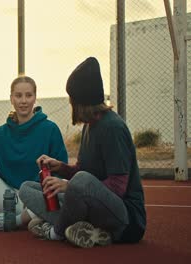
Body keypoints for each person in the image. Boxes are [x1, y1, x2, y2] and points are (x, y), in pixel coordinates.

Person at [18, 57, 147, 248]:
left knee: (80, 181)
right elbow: (83, 170)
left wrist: (69, 186)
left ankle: (56, 231)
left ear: (81, 101)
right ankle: (88, 230)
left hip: (126, 220)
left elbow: (118, 187)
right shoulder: (90, 126)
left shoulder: (113, 127)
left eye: (72, 99)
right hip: (91, 204)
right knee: (27, 188)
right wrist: (60, 167)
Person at [0, 75, 68, 234]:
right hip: (7, 199)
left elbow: (62, 173)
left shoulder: (50, 130)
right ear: (11, 98)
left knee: (59, 190)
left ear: (35, 98)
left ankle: (18, 221)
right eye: (18, 96)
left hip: (35, 202)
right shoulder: (2, 133)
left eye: (28, 95)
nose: (23, 101)